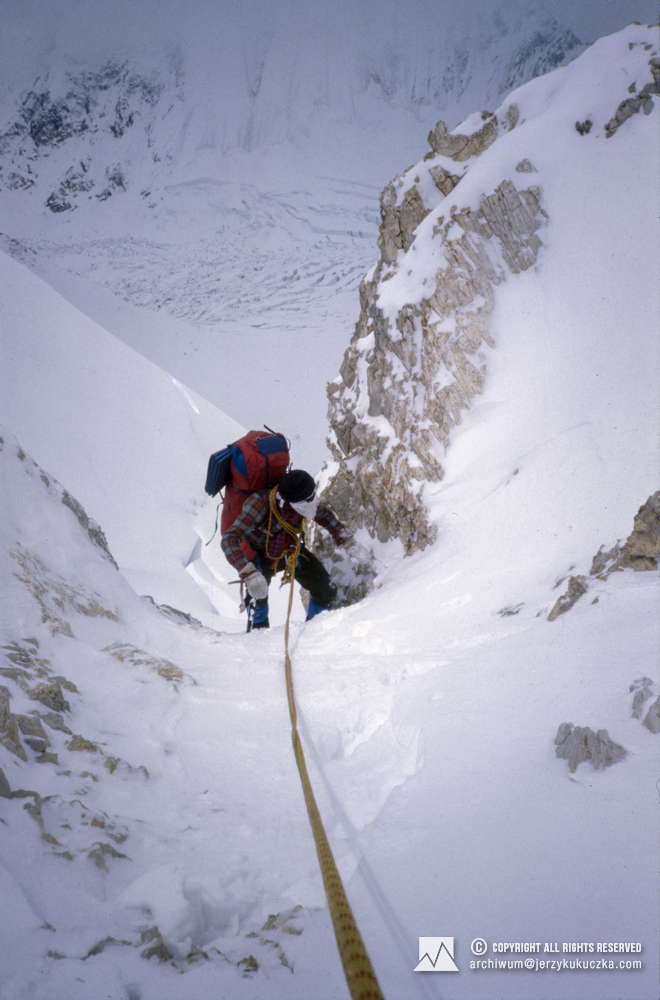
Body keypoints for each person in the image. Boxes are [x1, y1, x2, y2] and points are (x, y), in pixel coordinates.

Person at [221, 469, 350, 629]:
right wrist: (248, 572)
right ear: (290, 502)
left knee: (325, 590)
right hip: (259, 557)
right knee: (258, 601)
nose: (311, 502)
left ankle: (314, 632)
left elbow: (321, 513)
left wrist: (340, 533)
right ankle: (257, 640)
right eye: (307, 501)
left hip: (289, 550)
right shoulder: (259, 503)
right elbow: (229, 538)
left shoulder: (301, 500)